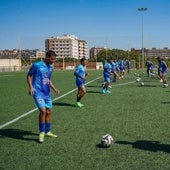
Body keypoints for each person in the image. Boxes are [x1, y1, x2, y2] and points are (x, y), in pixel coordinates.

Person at [26, 50, 60, 143]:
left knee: (49, 112)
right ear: (47, 57)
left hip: (47, 93)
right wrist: (31, 88)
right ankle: (41, 133)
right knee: (43, 111)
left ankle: (48, 131)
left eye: (54, 59)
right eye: (52, 59)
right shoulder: (37, 65)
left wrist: (54, 88)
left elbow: (48, 80)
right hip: (37, 92)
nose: (53, 61)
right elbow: (29, 76)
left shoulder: (51, 67)